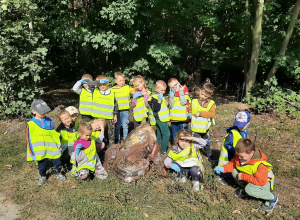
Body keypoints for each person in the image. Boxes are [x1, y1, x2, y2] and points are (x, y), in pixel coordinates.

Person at [214, 138, 277, 211]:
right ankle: (247, 190)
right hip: (251, 179)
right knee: (234, 171)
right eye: (238, 156)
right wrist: (223, 169)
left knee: (249, 189)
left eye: (242, 157)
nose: (239, 158)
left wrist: (244, 176)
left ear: (252, 153)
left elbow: (260, 182)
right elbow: (233, 164)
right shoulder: (241, 155)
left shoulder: (260, 164)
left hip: (264, 184)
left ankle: (272, 198)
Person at [26, 99, 66, 185]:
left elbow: (53, 134)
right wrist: (32, 153)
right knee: (42, 164)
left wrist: (59, 144)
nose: (44, 114)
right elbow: (29, 140)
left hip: (52, 147)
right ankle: (43, 176)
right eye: (41, 112)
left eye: (45, 111)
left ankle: (58, 173)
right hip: (40, 150)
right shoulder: (31, 124)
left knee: (57, 161)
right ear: (34, 111)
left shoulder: (49, 121)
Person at [189, 83, 216, 162]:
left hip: (205, 129)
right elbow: (190, 111)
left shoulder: (211, 103)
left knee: (206, 142)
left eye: (205, 96)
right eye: (201, 94)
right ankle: (195, 155)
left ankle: (209, 155)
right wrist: (190, 114)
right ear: (200, 90)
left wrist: (201, 113)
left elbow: (212, 114)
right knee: (195, 143)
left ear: (209, 96)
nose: (202, 96)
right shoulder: (194, 101)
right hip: (195, 128)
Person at [90, 75, 118, 146]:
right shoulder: (95, 91)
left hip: (109, 117)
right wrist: (98, 81)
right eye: (100, 85)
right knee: (99, 132)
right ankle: (101, 145)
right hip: (98, 117)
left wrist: (115, 115)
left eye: (104, 84)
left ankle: (112, 147)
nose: (102, 86)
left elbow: (115, 105)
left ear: (107, 83)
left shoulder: (111, 93)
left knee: (110, 133)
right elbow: (89, 84)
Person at [110, 72, 135, 143]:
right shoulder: (112, 89)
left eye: (123, 80)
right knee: (117, 125)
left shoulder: (127, 88)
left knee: (125, 125)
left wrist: (134, 82)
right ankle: (117, 138)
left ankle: (125, 138)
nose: (122, 82)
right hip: (116, 111)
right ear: (115, 81)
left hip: (125, 111)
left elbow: (136, 90)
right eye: (120, 81)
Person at [148, 80, 170, 156]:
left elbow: (162, 107)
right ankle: (163, 151)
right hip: (160, 119)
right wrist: (160, 100)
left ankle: (157, 148)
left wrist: (166, 103)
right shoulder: (154, 97)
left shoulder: (160, 96)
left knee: (159, 134)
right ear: (156, 89)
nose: (163, 92)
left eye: (164, 90)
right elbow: (157, 108)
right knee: (166, 134)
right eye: (161, 90)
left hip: (161, 118)